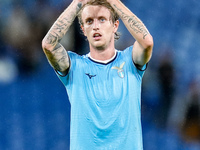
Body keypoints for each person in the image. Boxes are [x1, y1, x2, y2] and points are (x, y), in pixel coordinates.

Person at [42, 0, 153, 149]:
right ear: (83, 29)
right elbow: (49, 45)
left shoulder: (130, 61)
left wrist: (114, 2)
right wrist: (78, 2)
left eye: (102, 19)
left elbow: (147, 42)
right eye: (89, 21)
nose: (95, 26)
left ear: (115, 25)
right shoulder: (75, 66)